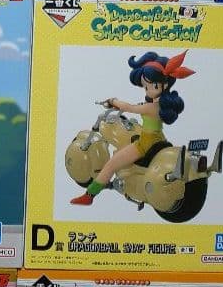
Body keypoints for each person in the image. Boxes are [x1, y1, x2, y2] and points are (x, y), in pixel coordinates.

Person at [71, 51, 194, 205]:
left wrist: (113, 101)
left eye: (153, 86)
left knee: (111, 164)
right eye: (145, 86)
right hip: (158, 139)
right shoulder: (160, 105)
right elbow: (140, 107)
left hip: (145, 144)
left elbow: (130, 108)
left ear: (165, 85)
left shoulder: (152, 107)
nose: (148, 89)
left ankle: (89, 196)